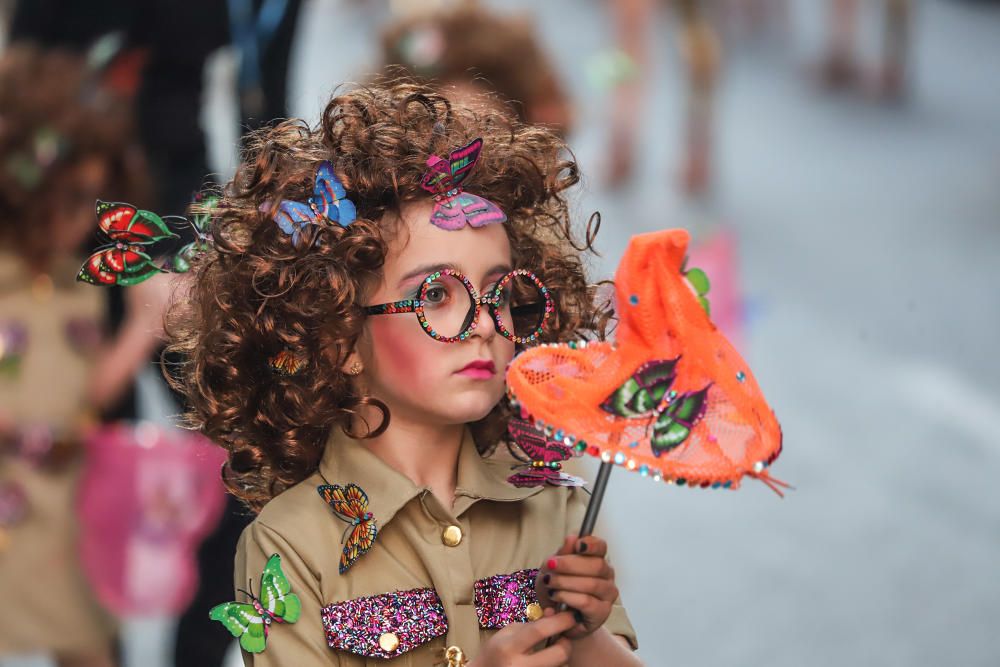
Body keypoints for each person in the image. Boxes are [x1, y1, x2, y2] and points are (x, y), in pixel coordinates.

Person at [166, 80, 642, 665]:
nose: (485, 324)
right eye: (437, 293)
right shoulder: (289, 544)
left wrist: (587, 634)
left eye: (499, 293)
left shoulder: (555, 506)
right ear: (340, 337)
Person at [0, 45, 166, 667]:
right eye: (68, 197)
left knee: (88, 641)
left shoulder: (82, 282)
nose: (78, 220)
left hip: (67, 506)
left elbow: (86, 394)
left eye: (91, 200)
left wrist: (143, 328)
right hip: (12, 504)